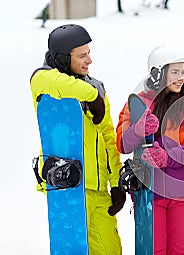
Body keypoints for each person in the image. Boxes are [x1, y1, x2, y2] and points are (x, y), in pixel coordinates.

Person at [30, 24, 126, 254]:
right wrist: (91, 96)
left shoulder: (96, 86)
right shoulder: (43, 81)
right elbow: (52, 81)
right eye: (82, 55)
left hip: (98, 188)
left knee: (111, 249)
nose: (89, 60)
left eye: (89, 53)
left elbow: (107, 138)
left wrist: (116, 182)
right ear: (63, 58)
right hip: (67, 187)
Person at [116, 45, 184, 255]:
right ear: (157, 73)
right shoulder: (137, 103)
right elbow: (122, 144)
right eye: (175, 72)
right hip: (150, 192)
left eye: (183, 72)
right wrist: (138, 130)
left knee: (181, 250)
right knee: (154, 250)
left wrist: (169, 156)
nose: (181, 77)